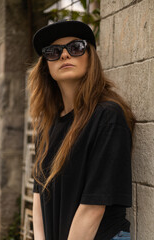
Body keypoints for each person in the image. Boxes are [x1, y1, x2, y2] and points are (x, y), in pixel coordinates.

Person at [28, 20, 136, 240]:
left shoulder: (107, 116)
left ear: (90, 57)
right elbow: (38, 197)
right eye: (53, 52)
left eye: (76, 47)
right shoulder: (46, 125)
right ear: (46, 66)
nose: (65, 55)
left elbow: (93, 208)